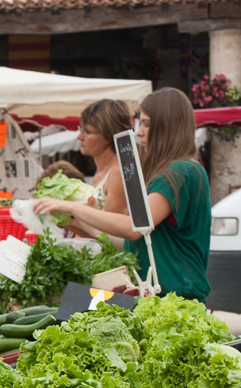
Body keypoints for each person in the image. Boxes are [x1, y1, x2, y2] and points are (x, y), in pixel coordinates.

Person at [43, 88, 211, 300]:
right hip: (155, 294)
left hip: (174, 297)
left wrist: (71, 206)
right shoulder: (175, 170)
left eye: (147, 124)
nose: (139, 132)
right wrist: (78, 222)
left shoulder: (180, 171)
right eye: (141, 123)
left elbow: (135, 227)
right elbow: (132, 242)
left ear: (169, 127)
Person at [32, 100, 132, 238]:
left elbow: (109, 237)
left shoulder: (117, 173)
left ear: (108, 136)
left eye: (87, 132)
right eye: (80, 129)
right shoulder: (101, 173)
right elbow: (93, 232)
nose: (79, 136)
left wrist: (69, 210)